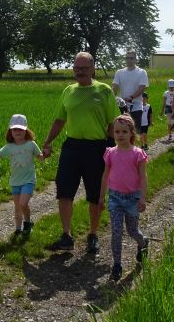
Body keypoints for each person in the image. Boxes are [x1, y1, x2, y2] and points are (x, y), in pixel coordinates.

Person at [42, 52, 119, 253]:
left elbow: (113, 123)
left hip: (97, 147)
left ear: (93, 68)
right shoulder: (68, 91)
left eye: (84, 68)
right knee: (64, 191)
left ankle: (93, 234)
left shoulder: (104, 91)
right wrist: (48, 141)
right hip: (72, 147)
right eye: (77, 68)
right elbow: (60, 120)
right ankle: (66, 235)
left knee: (95, 194)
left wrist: (115, 149)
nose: (80, 72)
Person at [99, 114, 149, 281]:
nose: (120, 135)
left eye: (124, 132)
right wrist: (101, 197)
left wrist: (142, 198)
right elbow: (105, 176)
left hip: (133, 198)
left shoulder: (138, 154)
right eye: (117, 131)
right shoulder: (110, 153)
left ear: (131, 133)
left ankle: (143, 243)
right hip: (115, 198)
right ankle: (117, 265)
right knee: (116, 231)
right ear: (113, 133)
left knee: (132, 231)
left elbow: (143, 177)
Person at [0, 114, 43, 236]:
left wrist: (47, 153)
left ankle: (28, 222)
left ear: (26, 130)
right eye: (15, 129)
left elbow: (40, 157)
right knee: (17, 207)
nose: (17, 132)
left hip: (28, 180)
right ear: (10, 132)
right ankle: (18, 229)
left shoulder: (31, 144)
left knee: (23, 204)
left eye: (20, 129)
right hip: (15, 181)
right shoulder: (9, 147)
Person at [112, 50, 149, 131]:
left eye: (131, 58)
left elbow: (142, 88)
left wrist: (131, 97)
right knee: (122, 130)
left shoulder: (141, 72)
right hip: (122, 106)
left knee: (135, 131)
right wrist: (111, 99)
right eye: (127, 58)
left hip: (136, 106)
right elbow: (114, 87)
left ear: (135, 59)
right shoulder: (119, 72)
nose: (129, 60)